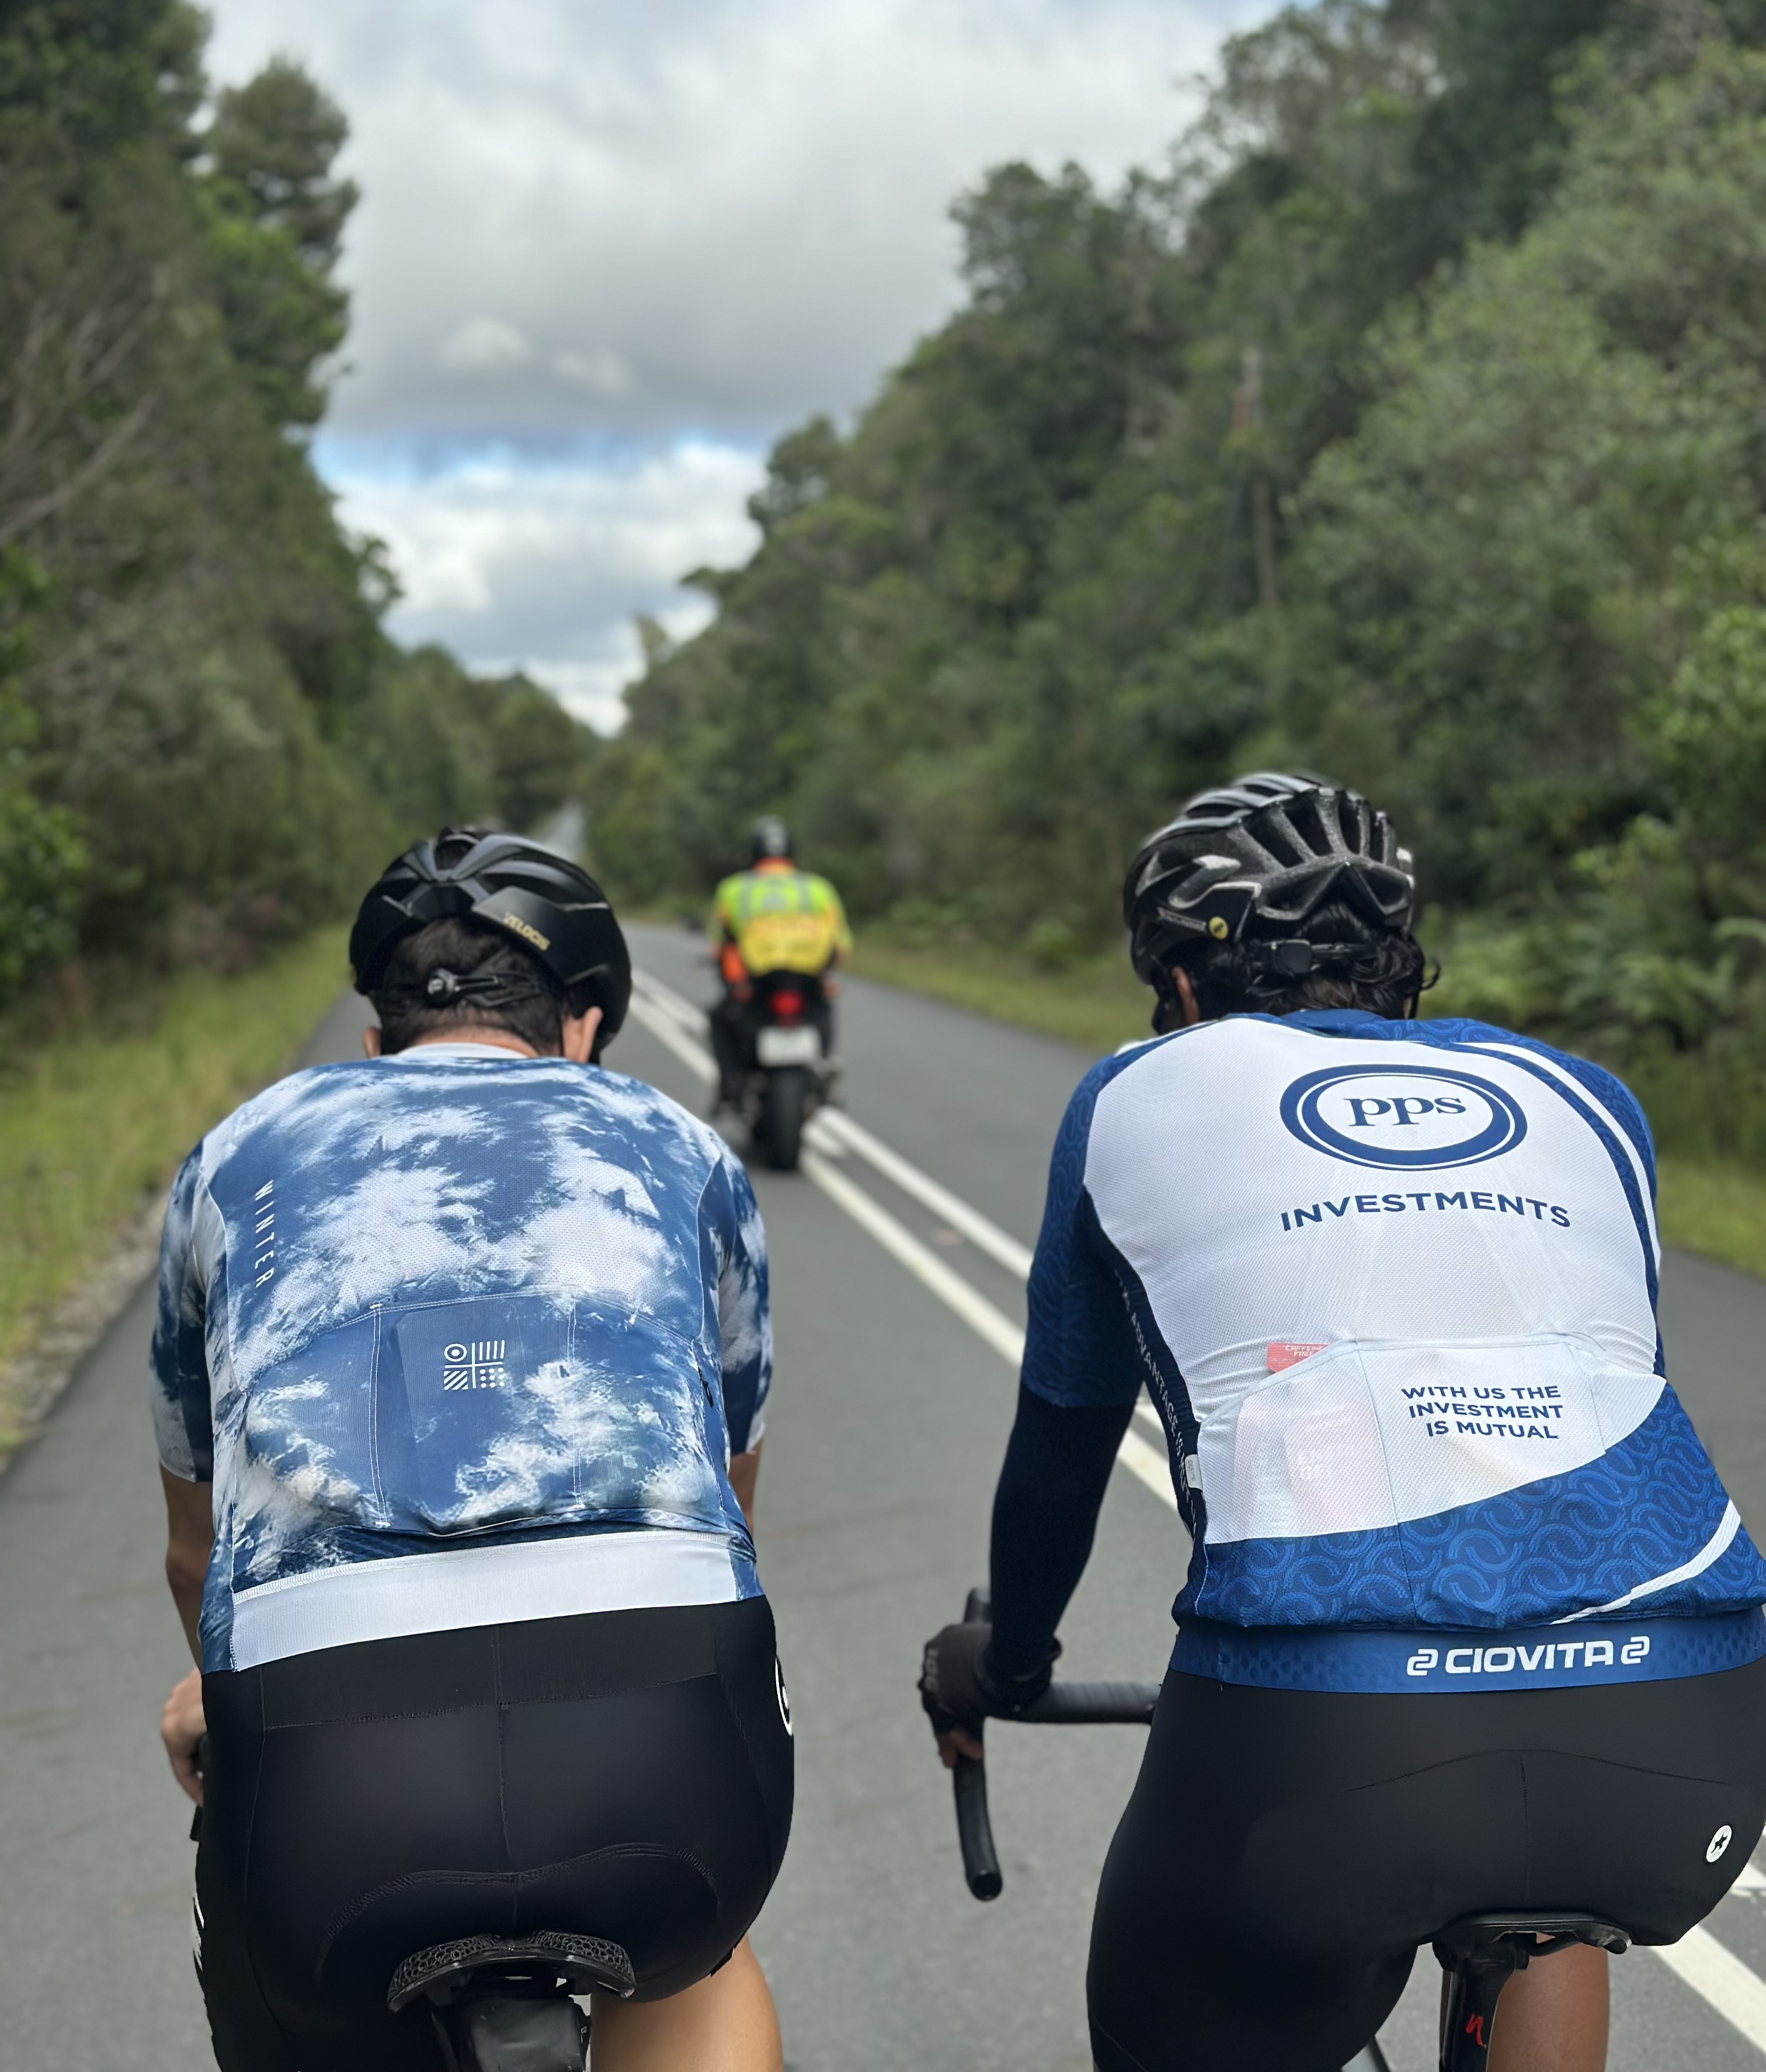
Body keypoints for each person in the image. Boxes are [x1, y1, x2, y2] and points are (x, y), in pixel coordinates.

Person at [920, 772, 1766, 2072]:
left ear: (1187, 990)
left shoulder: (1135, 1093)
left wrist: (1012, 1660)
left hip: (1329, 1727)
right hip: (1693, 1715)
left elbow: (1063, 1446)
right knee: (1551, 1910)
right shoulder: (1593, 1100)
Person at [152, 828, 792, 2072]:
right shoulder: (679, 1144)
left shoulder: (234, 1153)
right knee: (695, 1951)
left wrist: (213, 1698)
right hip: (662, 1737)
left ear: (375, 1045)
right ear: (584, 1027)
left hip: (331, 1771)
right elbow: (726, 1507)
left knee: (292, 1980)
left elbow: (197, 1551)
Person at [708, 818, 851, 1108]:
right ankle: (824, 1065)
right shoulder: (818, 888)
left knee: (720, 1021)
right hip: (806, 982)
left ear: (753, 852)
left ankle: (730, 1088)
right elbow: (841, 946)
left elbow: (719, 947)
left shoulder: (734, 889)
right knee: (822, 1008)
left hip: (757, 984)